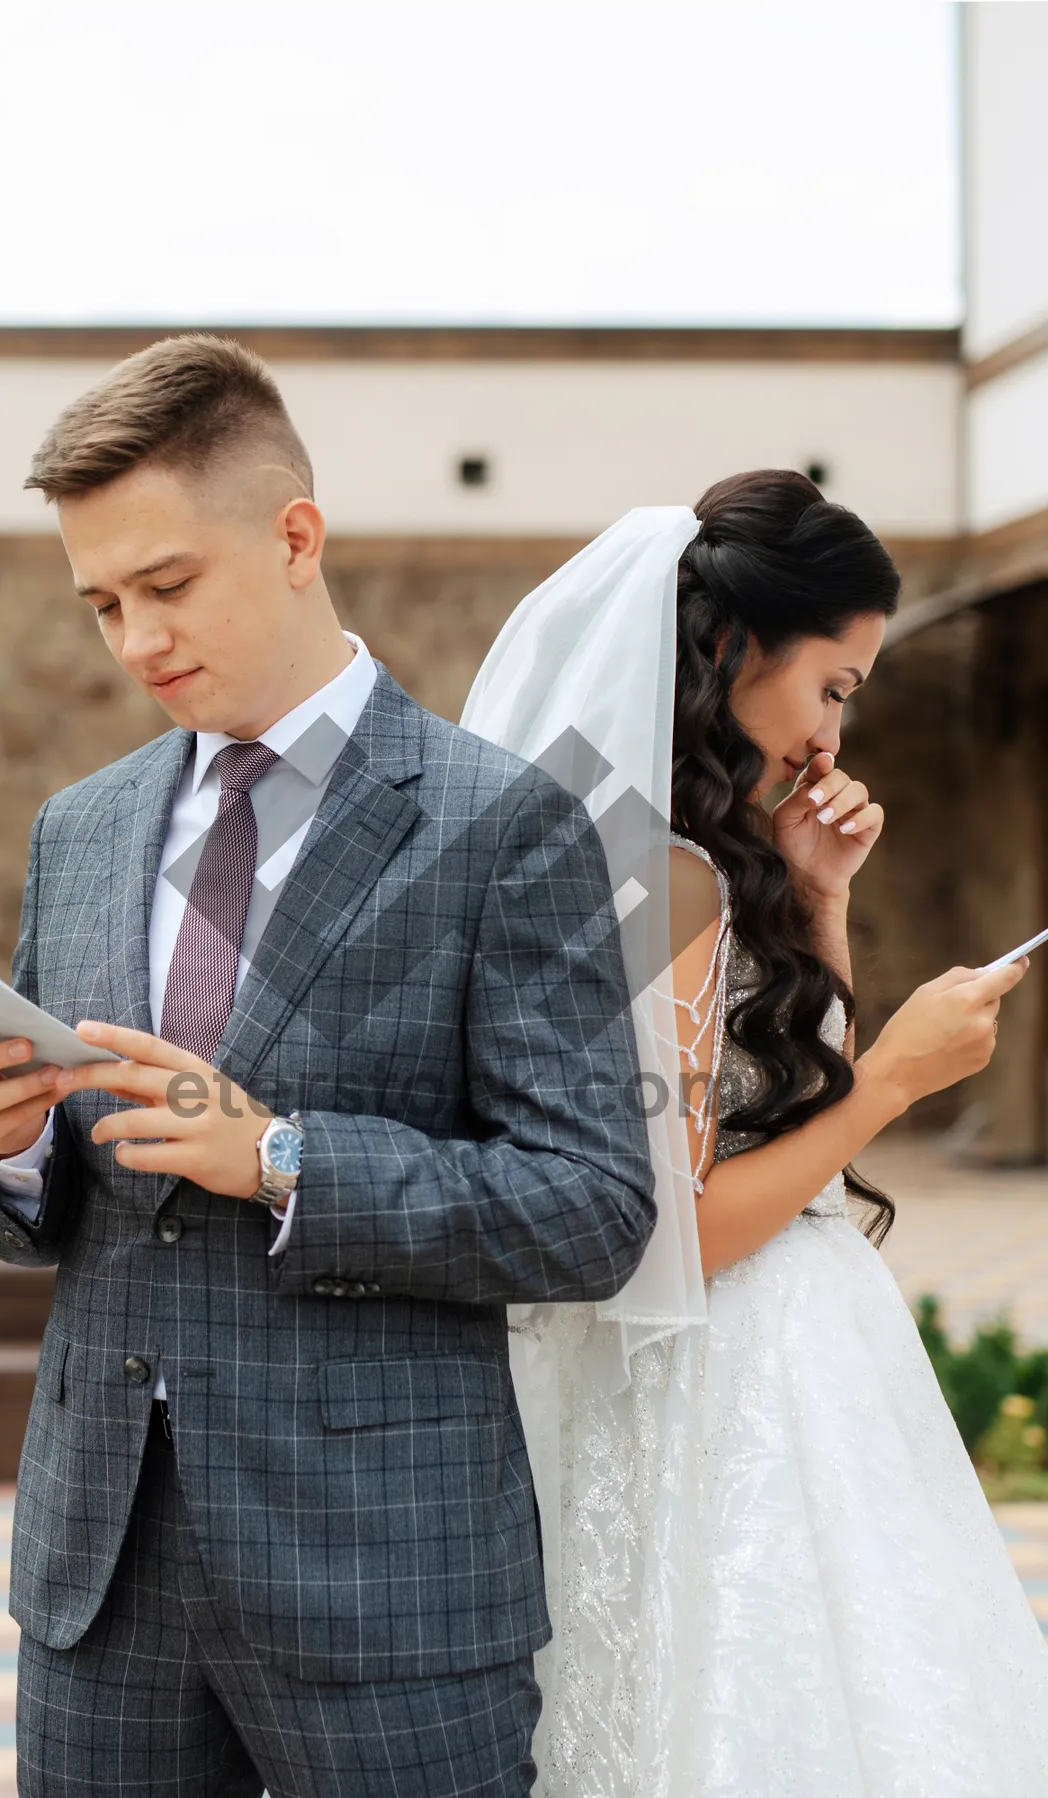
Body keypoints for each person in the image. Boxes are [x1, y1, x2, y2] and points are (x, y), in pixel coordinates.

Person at [0, 334, 659, 1797]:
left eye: (168, 585)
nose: (135, 640)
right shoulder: (80, 826)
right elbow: (43, 1208)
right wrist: (6, 1139)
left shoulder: (497, 822)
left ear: (296, 537)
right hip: (100, 1579)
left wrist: (281, 1155)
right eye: (104, 602)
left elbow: (591, 1203)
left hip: (385, 1582)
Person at [460, 472, 1048, 1797]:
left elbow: (787, 1118)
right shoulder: (665, 879)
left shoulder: (687, 861)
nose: (840, 732)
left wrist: (820, 897)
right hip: (721, 1381)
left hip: (737, 1357)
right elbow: (676, 1231)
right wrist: (896, 1077)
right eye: (833, 687)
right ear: (728, 648)